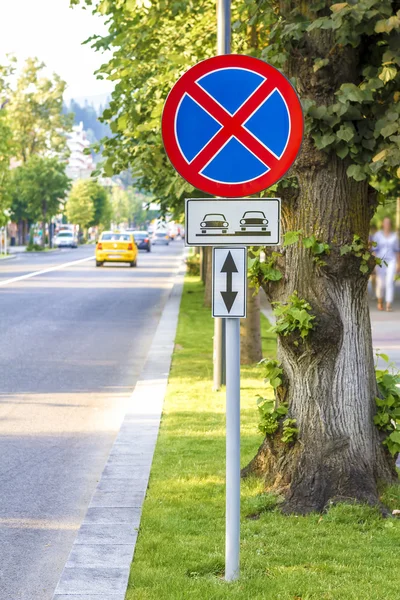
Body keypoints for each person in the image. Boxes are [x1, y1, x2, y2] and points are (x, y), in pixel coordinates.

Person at [372, 217, 400, 312]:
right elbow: (374, 250)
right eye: (385, 223)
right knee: (381, 284)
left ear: (390, 225)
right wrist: (374, 263)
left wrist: (398, 264)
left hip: (391, 261)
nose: (387, 225)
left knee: (389, 282)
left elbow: (397, 251)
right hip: (380, 261)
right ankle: (380, 301)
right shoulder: (377, 235)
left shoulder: (394, 236)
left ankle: (388, 303)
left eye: (388, 223)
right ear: (383, 224)